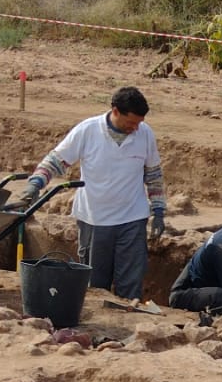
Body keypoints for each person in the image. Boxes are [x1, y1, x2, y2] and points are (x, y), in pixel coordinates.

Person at [19, 86, 166, 304]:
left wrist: (159, 209)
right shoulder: (87, 131)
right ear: (116, 111)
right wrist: (35, 184)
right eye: (130, 123)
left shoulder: (145, 134)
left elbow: (153, 174)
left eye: (138, 123)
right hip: (95, 220)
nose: (135, 128)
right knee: (96, 285)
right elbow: (56, 161)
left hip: (132, 219)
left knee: (131, 283)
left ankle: (131, 324)